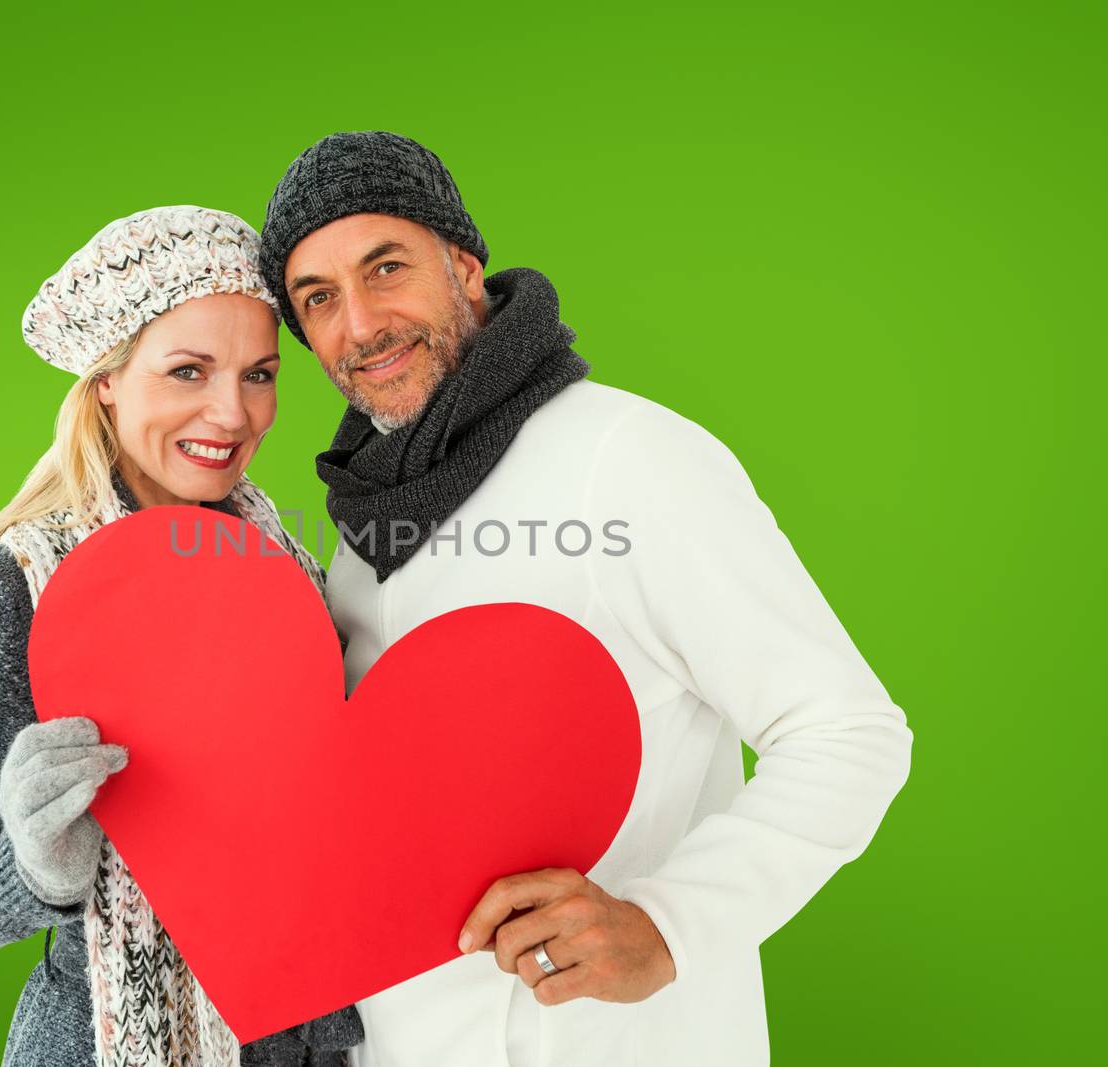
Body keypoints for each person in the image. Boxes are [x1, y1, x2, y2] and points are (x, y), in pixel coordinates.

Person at [257, 132, 914, 1066]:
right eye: (318, 299)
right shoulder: (359, 529)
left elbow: (849, 731)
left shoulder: (630, 462)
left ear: (465, 270)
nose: (359, 325)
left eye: (386, 267)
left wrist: (668, 922)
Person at [0, 206, 363, 1067]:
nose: (234, 412)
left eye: (260, 374)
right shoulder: (14, 592)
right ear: (107, 379)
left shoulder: (292, 567)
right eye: (187, 371)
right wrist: (35, 864)